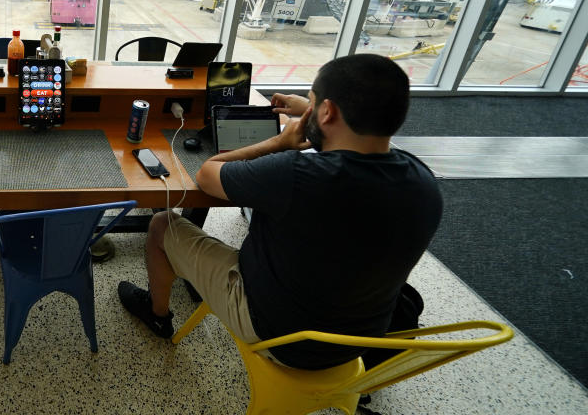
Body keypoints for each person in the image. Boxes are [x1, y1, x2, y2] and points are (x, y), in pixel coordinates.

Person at [118, 54, 443, 369]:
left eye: (313, 102)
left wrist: (279, 143)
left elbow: (206, 174)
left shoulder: (294, 174)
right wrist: (314, 110)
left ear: (327, 112)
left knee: (163, 225)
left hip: (282, 337)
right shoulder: (424, 182)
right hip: (363, 341)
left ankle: (158, 315)